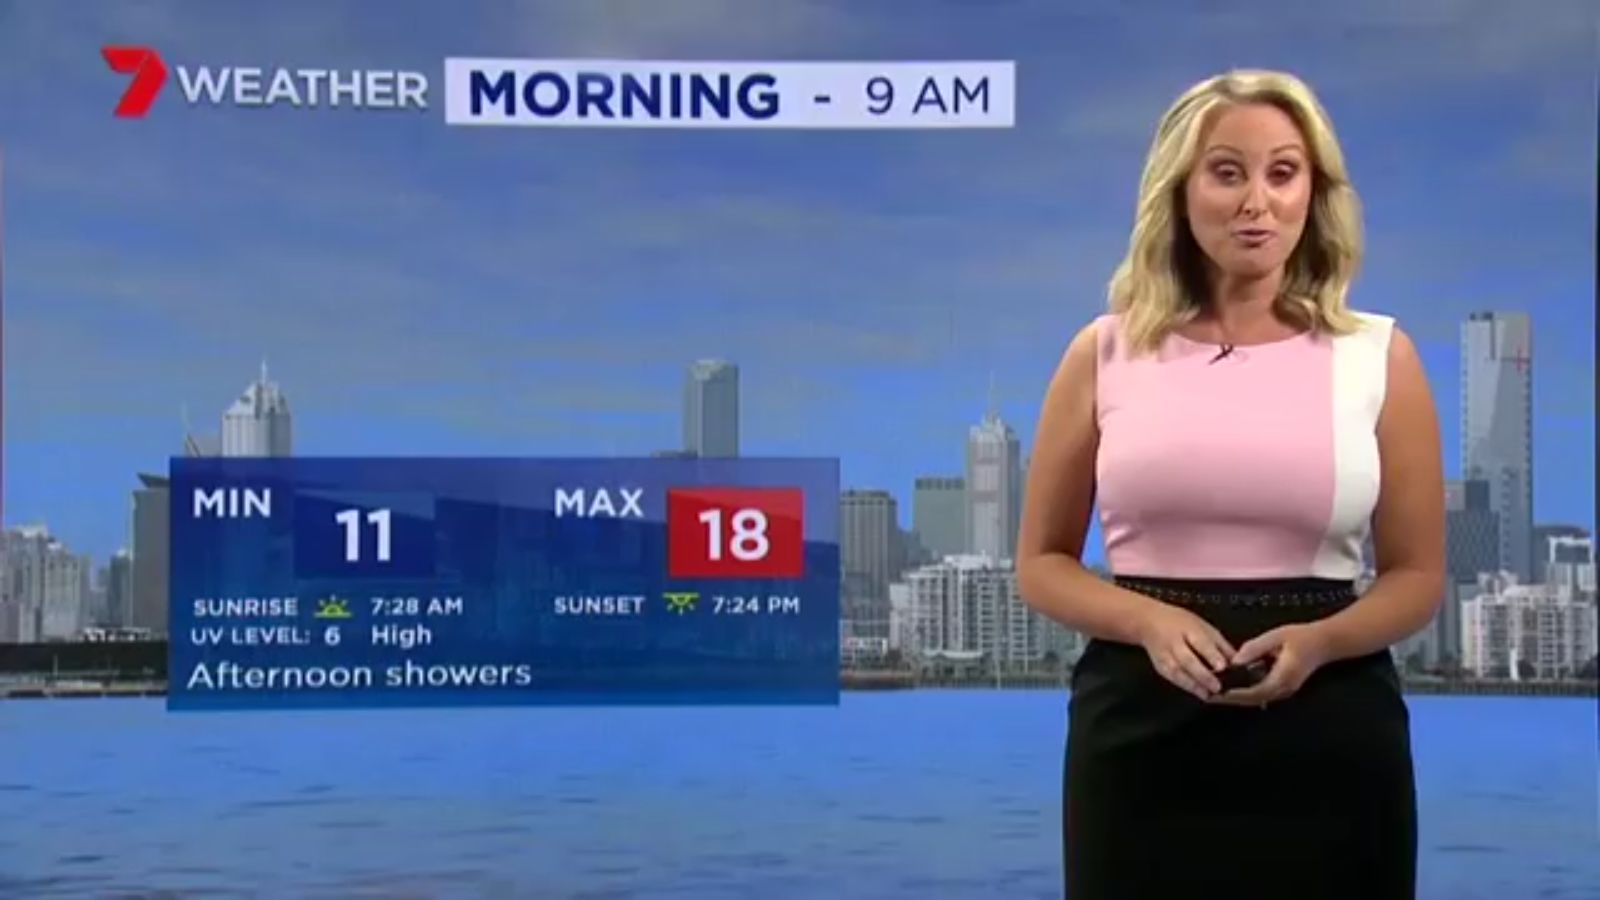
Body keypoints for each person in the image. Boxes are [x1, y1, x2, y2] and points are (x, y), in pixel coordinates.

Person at [1015, 68, 1445, 900]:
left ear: (1314, 194)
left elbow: (1418, 577)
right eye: (1226, 172)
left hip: (1332, 727)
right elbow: (1040, 565)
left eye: (1282, 173)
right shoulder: (1102, 353)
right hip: (1139, 730)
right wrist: (1147, 620)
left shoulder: (1380, 356)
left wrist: (1320, 643)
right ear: (1178, 191)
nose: (1257, 202)